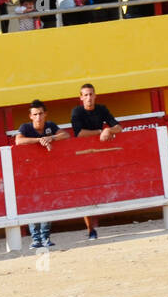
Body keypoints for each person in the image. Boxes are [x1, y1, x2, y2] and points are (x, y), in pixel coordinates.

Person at [68, 82, 120, 240]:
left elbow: (119, 127)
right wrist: (100, 131)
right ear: (81, 98)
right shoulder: (77, 111)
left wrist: (108, 129)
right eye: (86, 95)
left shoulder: (102, 109)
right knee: (86, 192)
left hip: (100, 154)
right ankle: (91, 229)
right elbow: (79, 134)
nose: (89, 98)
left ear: (95, 96)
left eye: (91, 94)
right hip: (82, 156)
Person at [14, 99, 68, 248]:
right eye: (35, 114)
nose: (38, 117)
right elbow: (18, 141)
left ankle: (45, 237)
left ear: (45, 114)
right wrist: (39, 140)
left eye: (41, 114)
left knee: (46, 203)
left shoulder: (50, 126)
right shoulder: (25, 127)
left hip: (48, 172)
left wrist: (51, 138)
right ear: (31, 116)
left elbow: (65, 135)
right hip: (30, 173)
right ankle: (36, 238)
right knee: (33, 204)